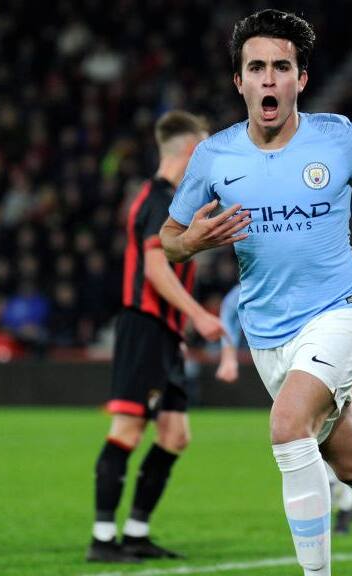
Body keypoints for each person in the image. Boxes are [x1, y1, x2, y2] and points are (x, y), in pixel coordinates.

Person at [159, 10, 352, 576]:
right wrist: (191, 240)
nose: (269, 79)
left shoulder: (338, 139)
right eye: (257, 68)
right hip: (268, 336)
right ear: (238, 82)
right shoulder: (214, 156)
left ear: (301, 79)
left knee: (287, 425)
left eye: (281, 67)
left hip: (342, 312)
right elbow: (168, 242)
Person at [87, 111, 226, 563]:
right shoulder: (159, 199)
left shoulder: (172, 201)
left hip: (164, 332)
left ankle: (136, 532)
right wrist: (197, 316)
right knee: (127, 428)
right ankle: (103, 540)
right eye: (203, 149)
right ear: (189, 150)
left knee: (174, 434)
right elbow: (154, 266)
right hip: (144, 326)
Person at [215, 283, 352, 534]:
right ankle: (347, 503)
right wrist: (228, 356)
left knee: (311, 439)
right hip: (282, 363)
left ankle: (339, 509)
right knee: (311, 439)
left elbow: (346, 321)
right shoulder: (256, 283)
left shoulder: (307, 277)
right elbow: (229, 310)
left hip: (317, 362)